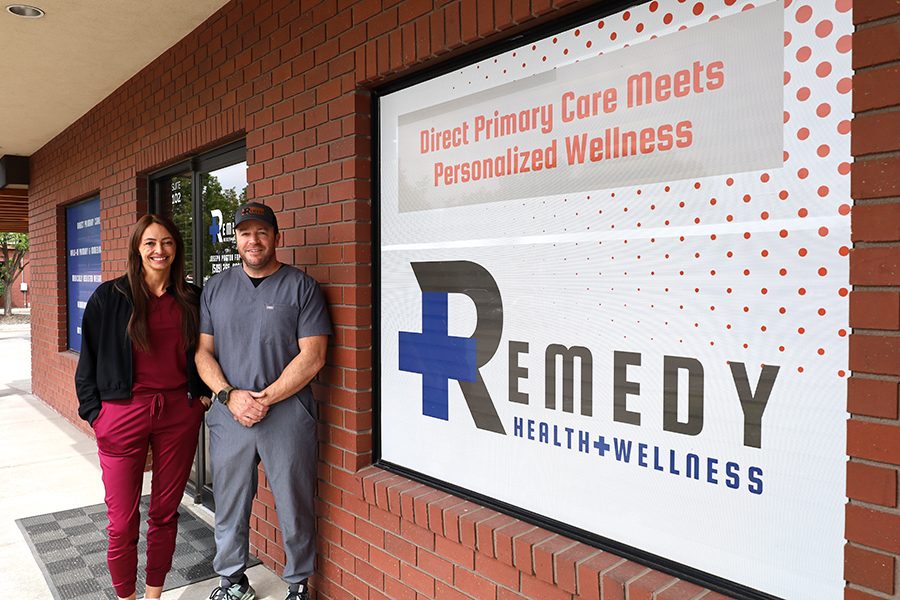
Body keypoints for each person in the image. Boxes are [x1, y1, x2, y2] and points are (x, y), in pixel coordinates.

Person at [196, 202, 331, 600]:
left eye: (261, 232)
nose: (253, 240)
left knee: (294, 503)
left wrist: (264, 398)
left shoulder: (301, 287)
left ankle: (298, 584)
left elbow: (313, 356)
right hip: (230, 414)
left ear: (276, 237)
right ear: (235, 239)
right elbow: (203, 352)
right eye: (245, 233)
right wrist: (229, 396)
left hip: (287, 413)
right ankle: (233, 582)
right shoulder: (216, 288)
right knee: (229, 503)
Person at [75, 214, 211, 600]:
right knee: (121, 522)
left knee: (165, 513)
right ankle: (126, 595)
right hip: (122, 413)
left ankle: (153, 594)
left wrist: (202, 396)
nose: (159, 250)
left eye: (166, 242)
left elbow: (209, 349)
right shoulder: (109, 297)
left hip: (178, 413)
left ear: (176, 248)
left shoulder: (192, 298)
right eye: (150, 242)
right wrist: (96, 414)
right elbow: (88, 362)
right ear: (137, 247)